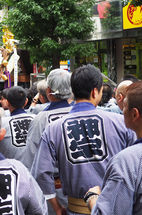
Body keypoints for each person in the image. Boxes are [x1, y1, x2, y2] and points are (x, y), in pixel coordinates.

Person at [31, 64, 136, 215]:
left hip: (75, 209)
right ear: (95, 91)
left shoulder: (54, 128)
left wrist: (56, 207)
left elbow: (41, 173)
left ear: (73, 91)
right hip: (117, 208)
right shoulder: (121, 123)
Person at [85, 81, 142, 214]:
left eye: (125, 106)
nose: (122, 111)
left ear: (134, 114)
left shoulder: (127, 162)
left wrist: (93, 199)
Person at [24, 69, 73, 214]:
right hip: (86, 190)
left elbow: (31, 158)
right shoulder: (78, 114)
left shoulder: (41, 119)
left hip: (53, 191)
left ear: (48, 91)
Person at [0, 86, 35, 166]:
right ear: (26, 102)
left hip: (11, 172)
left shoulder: (1, 123)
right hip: (35, 171)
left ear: (7, 102)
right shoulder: (37, 119)